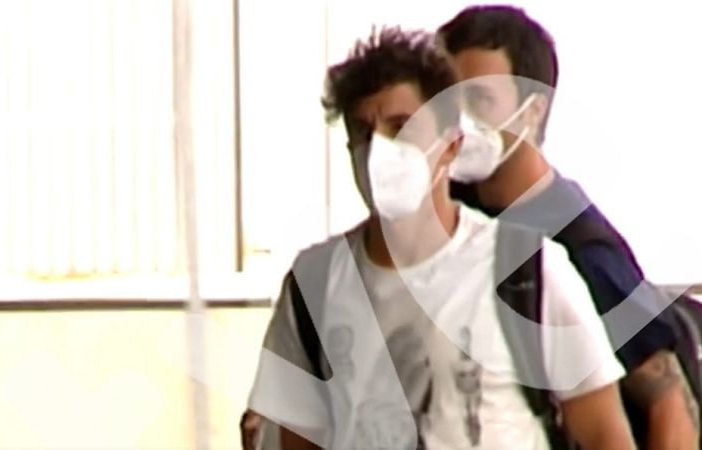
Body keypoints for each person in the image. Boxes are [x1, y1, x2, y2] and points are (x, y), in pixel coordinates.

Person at [244, 27, 635, 450]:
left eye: (401, 127)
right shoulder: (315, 282)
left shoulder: (525, 268)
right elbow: (296, 440)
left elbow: (605, 434)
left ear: (450, 146)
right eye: (362, 132)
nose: (379, 150)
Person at [435, 5, 699, 449]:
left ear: (533, 111)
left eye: (479, 99)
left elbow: (668, 402)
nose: (459, 120)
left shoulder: (581, 249)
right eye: (447, 99)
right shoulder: (445, 214)